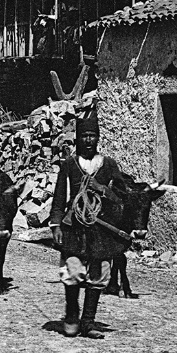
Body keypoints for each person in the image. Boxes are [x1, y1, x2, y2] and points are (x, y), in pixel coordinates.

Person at [48, 113, 145, 338]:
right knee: (72, 270)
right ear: (78, 139)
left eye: (92, 136)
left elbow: (121, 197)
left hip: (101, 229)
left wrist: (101, 188)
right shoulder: (69, 165)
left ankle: (88, 322)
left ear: (98, 138)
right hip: (75, 226)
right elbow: (60, 197)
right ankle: (72, 314)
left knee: (99, 272)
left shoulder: (109, 165)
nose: (88, 140)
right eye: (84, 136)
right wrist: (56, 226)